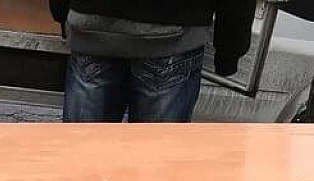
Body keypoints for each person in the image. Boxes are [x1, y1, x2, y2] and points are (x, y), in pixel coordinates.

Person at [50, 1, 257, 123]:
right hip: (173, 34)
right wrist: (230, 49)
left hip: (91, 27)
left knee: (82, 159)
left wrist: (62, 14)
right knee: (155, 166)